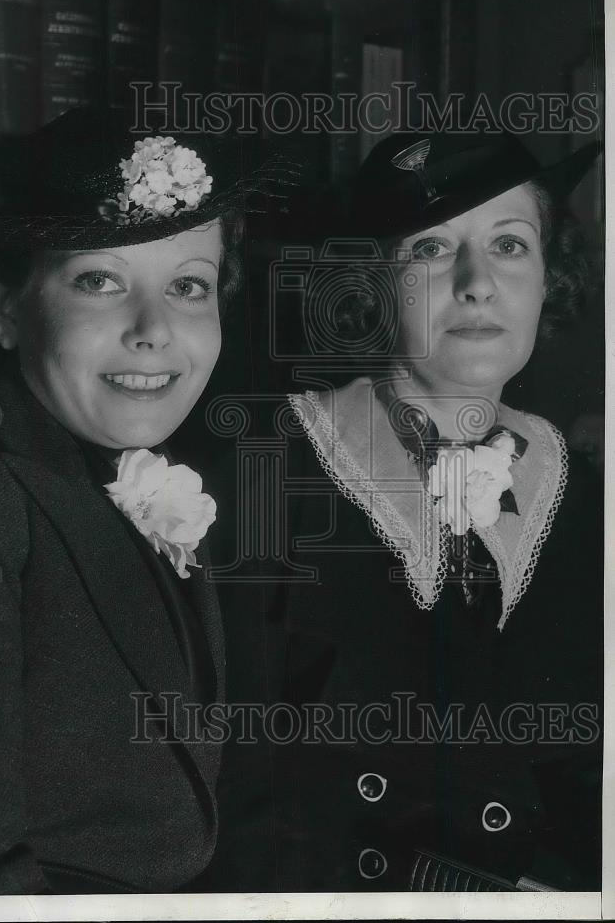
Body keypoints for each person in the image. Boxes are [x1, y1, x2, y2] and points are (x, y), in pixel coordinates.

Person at [0, 108, 295, 895]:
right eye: (99, 281)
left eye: (188, 287)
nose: (152, 329)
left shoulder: (128, 466)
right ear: (3, 308)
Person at [206, 130, 603, 892]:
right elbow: (238, 809)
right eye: (428, 250)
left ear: (550, 278)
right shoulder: (259, 475)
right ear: (369, 286)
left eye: (510, 245)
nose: (476, 282)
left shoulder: (582, 493)